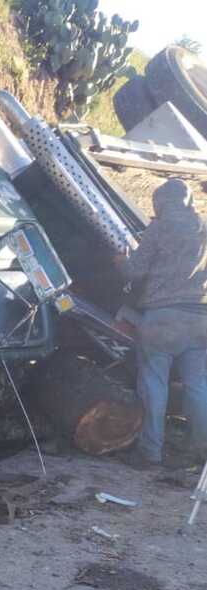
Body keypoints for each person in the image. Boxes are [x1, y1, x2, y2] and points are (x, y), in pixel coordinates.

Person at [114, 179, 207, 468]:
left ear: (159, 203)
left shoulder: (159, 227)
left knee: (154, 383)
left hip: (162, 318)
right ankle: (201, 452)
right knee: (198, 386)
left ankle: (150, 452)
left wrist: (120, 261)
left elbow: (135, 273)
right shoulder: (203, 227)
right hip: (201, 317)